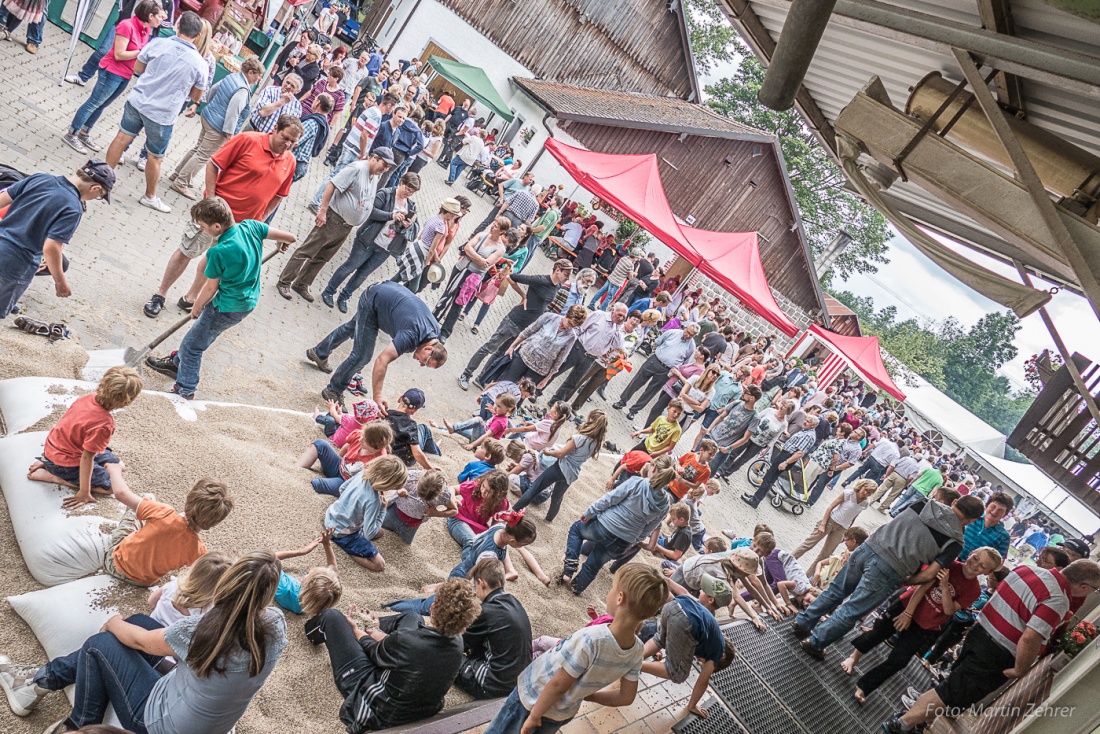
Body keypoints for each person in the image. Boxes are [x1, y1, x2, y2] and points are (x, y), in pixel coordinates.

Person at [0, 552, 288, 732]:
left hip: (155, 724)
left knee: (100, 643)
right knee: (141, 621)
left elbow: (139, 643)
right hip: (202, 719)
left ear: (227, 584)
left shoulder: (202, 631)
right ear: (266, 596)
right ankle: (41, 681)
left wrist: (113, 621)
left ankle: (78, 724)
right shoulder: (276, 625)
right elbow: (145, 634)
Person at [882, 559, 1100, 734]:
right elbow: (1030, 638)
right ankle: (901, 724)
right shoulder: (1058, 599)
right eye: (1094, 590)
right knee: (949, 692)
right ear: (1083, 585)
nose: (1091, 593)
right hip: (997, 652)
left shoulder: (1026, 570)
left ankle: (914, 721)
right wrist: (1020, 669)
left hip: (979, 634)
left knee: (951, 687)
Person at [143, 116, 302, 318]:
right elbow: (213, 164)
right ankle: (160, 294)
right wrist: (211, 200)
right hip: (213, 217)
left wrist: (260, 220)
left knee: (213, 260)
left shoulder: (290, 161)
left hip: (240, 227)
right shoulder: (248, 140)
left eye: (293, 142)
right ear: (275, 128)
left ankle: (190, 299)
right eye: (285, 138)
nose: (288, 144)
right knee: (187, 250)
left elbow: (279, 195)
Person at [794, 495, 986, 659]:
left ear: (954, 502)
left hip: (868, 548)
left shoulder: (923, 503)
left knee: (836, 591)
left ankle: (802, 623)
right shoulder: (955, 542)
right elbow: (929, 573)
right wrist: (906, 581)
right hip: (891, 569)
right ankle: (815, 642)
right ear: (971, 520)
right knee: (852, 609)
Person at [483, 565, 667, 734]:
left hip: (532, 702)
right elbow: (626, 697)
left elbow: (558, 685)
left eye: (612, 587)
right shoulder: (636, 652)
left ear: (620, 598)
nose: (609, 591)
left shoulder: (592, 639)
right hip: (563, 712)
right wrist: (592, 696)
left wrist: (534, 716)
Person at [144, 198, 296, 398]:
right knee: (200, 335)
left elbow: (210, 288)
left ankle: (185, 388)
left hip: (225, 306)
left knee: (192, 346)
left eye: (203, 227)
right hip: (247, 301)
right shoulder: (251, 226)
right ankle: (177, 364)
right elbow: (291, 237)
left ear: (217, 226)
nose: (201, 230)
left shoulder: (219, 251)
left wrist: (197, 307)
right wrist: (281, 242)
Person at [307, 578, 480, 731]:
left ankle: (311, 632)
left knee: (331, 616)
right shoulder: (458, 644)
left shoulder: (407, 641)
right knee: (413, 617)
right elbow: (405, 651)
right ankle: (375, 627)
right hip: (417, 703)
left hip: (381, 708)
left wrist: (357, 631)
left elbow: (372, 651)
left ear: (433, 607)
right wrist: (380, 634)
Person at [842, 547, 1002, 702]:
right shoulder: (950, 565)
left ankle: (865, 685)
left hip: (927, 625)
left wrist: (945, 586)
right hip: (907, 606)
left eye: (982, 566)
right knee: (877, 633)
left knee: (899, 660)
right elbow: (922, 587)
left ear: (987, 573)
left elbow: (948, 609)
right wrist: (908, 613)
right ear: (971, 553)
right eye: (975, 558)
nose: (975, 565)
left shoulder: (973, 590)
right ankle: (853, 657)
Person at [103, 11, 208, 213]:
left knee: (121, 138)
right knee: (155, 156)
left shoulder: (159, 43)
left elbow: (139, 67)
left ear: (178, 26)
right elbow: (196, 95)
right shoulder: (200, 63)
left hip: (139, 100)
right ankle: (150, 196)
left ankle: (102, 177)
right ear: (197, 36)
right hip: (163, 114)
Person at [306, 280, 447, 409]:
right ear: (429, 349)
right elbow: (382, 360)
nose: (421, 364)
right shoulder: (412, 335)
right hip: (372, 303)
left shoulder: (433, 331)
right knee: (362, 355)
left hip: (382, 293)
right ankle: (333, 390)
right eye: (426, 362)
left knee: (352, 327)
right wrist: (377, 397)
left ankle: (319, 353)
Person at [0, 160, 113, 320]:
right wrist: (60, 282)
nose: (96, 197)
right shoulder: (73, 208)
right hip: (15, 264)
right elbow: (51, 248)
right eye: (100, 195)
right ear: (95, 188)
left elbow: (1, 199)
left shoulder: (40, 178)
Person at [277, 150, 391, 300]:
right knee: (307, 250)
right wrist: (322, 211)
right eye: (384, 164)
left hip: (346, 226)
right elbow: (332, 185)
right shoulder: (356, 168)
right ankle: (284, 281)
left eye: (388, 167)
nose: (385, 169)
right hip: (333, 219)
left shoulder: (375, 176)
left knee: (323, 257)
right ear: (375, 158)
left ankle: (302, 283)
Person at [100, 461, 232, 586]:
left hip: (115, 563)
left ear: (186, 505)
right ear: (213, 524)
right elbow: (198, 576)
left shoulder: (163, 512)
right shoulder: (198, 550)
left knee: (147, 497)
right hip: (144, 582)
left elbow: (121, 493)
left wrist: (114, 471)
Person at [25, 366, 141, 507]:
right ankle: (54, 476)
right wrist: (84, 491)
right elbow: (87, 457)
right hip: (65, 464)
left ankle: (50, 463)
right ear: (127, 400)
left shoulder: (87, 398)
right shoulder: (104, 424)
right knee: (110, 487)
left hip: (55, 449)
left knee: (119, 465)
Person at [62, 1, 166, 154]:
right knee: (93, 103)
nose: (161, 20)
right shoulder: (127, 25)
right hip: (112, 71)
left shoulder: (146, 30)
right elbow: (119, 54)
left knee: (102, 104)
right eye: (159, 17)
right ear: (150, 16)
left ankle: (84, 132)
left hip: (126, 74)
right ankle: (71, 134)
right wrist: (142, 52)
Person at [562, 455, 676, 594]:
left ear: (654, 468)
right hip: (625, 540)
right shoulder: (665, 505)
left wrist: (589, 512)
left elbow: (610, 499)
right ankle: (576, 588)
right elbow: (649, 529)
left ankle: (570, 566)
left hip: (605, 526)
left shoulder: (637, 482)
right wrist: (634, 540)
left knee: (576, 529)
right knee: (595, 564)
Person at [458, 258, 574, 390]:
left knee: (501, 353)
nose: (568, 278)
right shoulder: (541, 280)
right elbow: (511, 277)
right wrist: (523, 296)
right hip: (514, 320)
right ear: (557, 270)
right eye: (566, 274)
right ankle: (466, 374)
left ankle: (482, 378)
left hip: (526, 328)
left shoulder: (557, 286)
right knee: (489, 347)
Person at [320, 170, 421, 309]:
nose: (409, 193)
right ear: (401, 182)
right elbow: (370, 211)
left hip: (385, 248)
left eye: (412, 192)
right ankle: (329, 291)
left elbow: (414, 227)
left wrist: (406, 225)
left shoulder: (411, 206)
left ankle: (344, 297)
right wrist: (391, 215)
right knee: (350, 267)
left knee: (362, 275)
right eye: (407, 189)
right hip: (367, 240)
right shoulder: (385, 194)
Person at [168, 57, 265, 199]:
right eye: (259, 75)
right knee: (203, 155)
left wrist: (211, 105)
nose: (259, 79)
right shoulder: (243, 90)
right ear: (251, 72)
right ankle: (181, 183)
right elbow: (233, 113)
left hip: (208, 117)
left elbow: (214, 89)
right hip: (218, 127)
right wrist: (229, 134)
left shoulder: (233, 76)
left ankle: (177, 173)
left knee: (198, 148)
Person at [641, 582, 737, 719]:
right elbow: (703, 681)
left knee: (659, 639)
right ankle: (634, 665)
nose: (698, 660)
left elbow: (686, 596)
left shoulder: (712, 632)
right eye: (702, 662)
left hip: (673, 605)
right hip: (686, 621)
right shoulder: (717, 652)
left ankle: (633, 659)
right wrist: (692, 705)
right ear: (723, 656)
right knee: (677, 674)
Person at [455, 558, 533, 699]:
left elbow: (460, 643)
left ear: (481, 583)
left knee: (450, 655)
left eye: (475, 585)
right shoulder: (515, 603)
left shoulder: (487, 611)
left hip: (493, 686)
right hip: (517, 682)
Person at [513, 410, 608, 522]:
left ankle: (515, 509)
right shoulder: (596, 442)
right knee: (557, 498)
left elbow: (561, 454)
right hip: (572, 473)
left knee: (535, 488)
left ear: (590, 420)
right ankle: (549, 518)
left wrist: (548, 452)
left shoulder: (579, 438)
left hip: (560, 468)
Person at [612, 324, 700, 421]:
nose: (688, 335)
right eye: (688, 332)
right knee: (636, 382)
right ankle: (622, 401)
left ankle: (634, 411)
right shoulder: (673, 332)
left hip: (667, 370)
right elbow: (658, 341)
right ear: (686, 328)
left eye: (691, 335)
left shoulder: (691, 346)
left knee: (651, 391)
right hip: (655, 360)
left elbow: (686, 363)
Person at [792, 478, 875, 570]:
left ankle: (809, 577)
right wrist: (823, 524)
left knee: (826, 555)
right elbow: (831, 507)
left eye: (869, 492)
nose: (865, 493)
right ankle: (787, 560)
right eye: (865, 490)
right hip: (831, 521)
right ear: (861, 486)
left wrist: (848, 533)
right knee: (809, 544)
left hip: (842, 528)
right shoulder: (848, 493)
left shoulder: (865, 503)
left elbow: (853, 517)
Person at [498, 305, 586, 391]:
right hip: (523, 357)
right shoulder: (549, 317)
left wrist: (548, 377)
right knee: (505, 384)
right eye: (569, 323)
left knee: (522, 394)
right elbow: (528, 331)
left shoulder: (571, 336)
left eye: (573, 326)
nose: (569, 327)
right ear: (567, 314)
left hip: (540, 370)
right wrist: (512, 347)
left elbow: (561, 358)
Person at [740, 415, 819, 509]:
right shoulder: (805, 431)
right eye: (805, 419)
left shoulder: (809, 435)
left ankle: (755, 500)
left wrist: (786, 462)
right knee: (769, 478)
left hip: (787, 457)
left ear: (813, 425)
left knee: (769, 479)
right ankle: (755, 497)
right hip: (785, 455)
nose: (805, 421)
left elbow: (799, 453)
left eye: (808, 421)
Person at [273, 531, 343, 618]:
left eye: (309, 574)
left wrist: (302, 551)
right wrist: (327, 544)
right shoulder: (323, 601)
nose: (310, 570)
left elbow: (271, 559)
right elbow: (334, 572)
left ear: (304, 584)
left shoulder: (284, 588)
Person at [960, 491, 1013, 560]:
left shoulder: (1004, 537)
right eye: (993, 506)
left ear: (1005, 514)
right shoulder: (972, 516)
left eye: (1000, 510)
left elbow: (998, 562)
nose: (994, 512)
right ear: (987, 505)